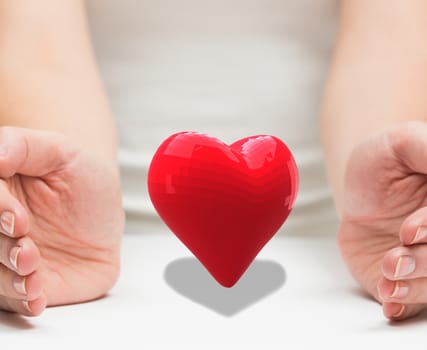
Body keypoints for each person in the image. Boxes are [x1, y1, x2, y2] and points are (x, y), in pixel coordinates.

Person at [0, 0, 426, 321]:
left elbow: (394, 28)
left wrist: (396, 191)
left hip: (335, 250)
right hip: (95, 244)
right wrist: (52, 207)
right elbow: (36, 35)